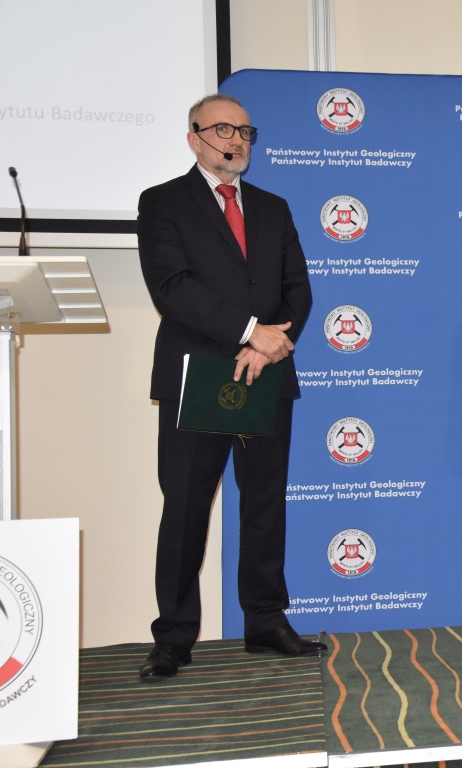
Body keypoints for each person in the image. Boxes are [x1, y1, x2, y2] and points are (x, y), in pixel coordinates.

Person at [136, 94, 323, 681]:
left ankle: (266, 621)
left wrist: (269, 345)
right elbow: (173, 287)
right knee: (187, 509)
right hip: (199, 374)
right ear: (194, 138)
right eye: (222, 129)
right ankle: (173, 637)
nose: (236, 140)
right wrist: (249, 333)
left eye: (245, 131)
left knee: (265, 506)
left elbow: (298, 288)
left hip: (267, 374)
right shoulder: (163, 203)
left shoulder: (273, 207)